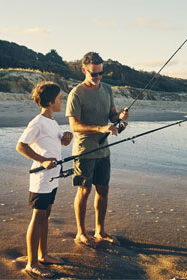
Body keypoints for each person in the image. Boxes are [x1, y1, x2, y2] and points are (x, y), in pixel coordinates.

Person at [65, 52, 129, 248]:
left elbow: (111, 116)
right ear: (84, 70)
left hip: (104, 149)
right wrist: (100, 128)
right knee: (84, 191)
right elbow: (74, 125)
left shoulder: (107, 90)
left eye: (101, 73)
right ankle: (81, 233)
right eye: (94, 74)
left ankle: (100, 231)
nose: (98, 77)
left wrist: (120, 117)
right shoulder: (76, 93)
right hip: (84, 150)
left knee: (103, 190)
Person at [16, 81, 73, 277]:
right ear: (50, 102)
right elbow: (21, 146)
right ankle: (31, 264)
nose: (61, 101)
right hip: (41, 178)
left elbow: (56, 144)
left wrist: (66, 139)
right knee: (38, 217)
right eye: (59, 99)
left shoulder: (53, 122)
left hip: (53, 177)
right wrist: (43, 161)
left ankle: (44, 255)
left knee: (46, 215)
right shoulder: (37, 122)